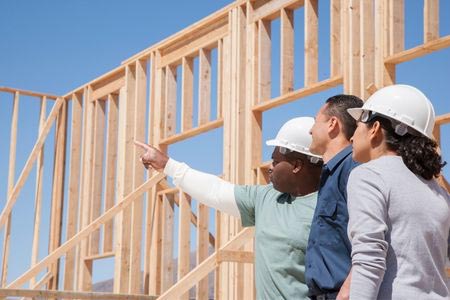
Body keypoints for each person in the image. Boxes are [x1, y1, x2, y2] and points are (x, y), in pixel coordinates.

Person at [135, 117, 323, 299]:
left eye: (275, 161)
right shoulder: (266, 198)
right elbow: (215, 190)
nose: (269, 168)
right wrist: (168, 165)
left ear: (297, 165)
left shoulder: (328, 208)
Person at [346, 84, 450, 299]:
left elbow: (369, 257)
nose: (351, 138)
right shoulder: (438, 191)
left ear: (374, 128)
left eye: (357, 126)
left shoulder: (369, 175)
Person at [306, 94, 364, 300]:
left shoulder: (352, 169)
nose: (310, 130)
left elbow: (373, 238)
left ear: (332, 124)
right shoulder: (331, 173)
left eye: (315, 121)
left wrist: (347, 290)